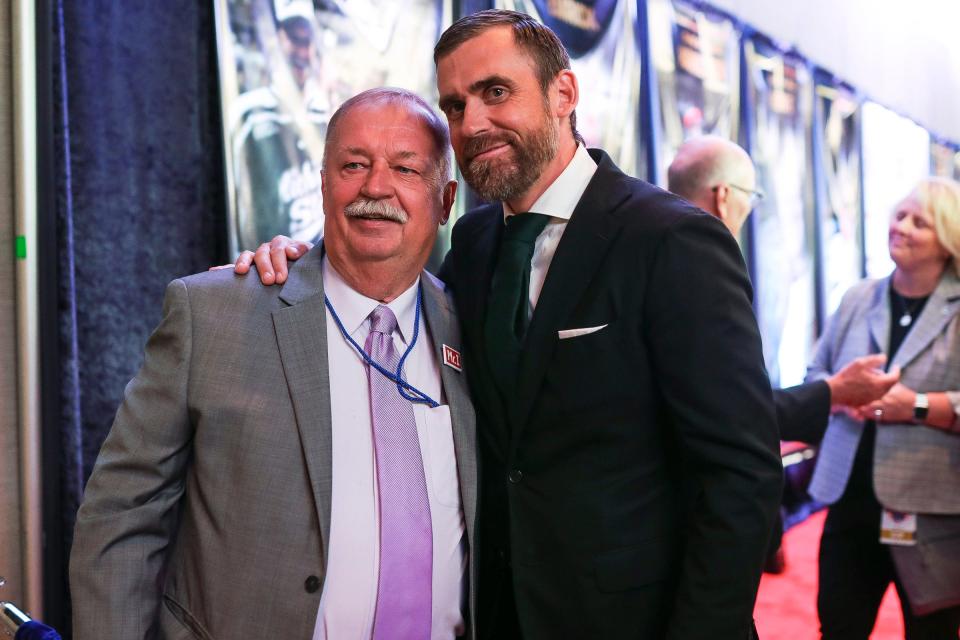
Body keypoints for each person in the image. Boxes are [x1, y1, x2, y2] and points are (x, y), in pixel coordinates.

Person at [239, 10, 782, 638]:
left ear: (564, 94)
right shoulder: (472, 244)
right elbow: (376, 286)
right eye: (454, 104)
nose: (472, 124)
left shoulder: (673, 241)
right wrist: (292, 262)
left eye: (495, 92)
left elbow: (741, 474)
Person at [70, 89, 476, 639]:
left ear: (446, 198)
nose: (376, 187)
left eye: (405, 169)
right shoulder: (216, 313)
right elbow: (122, 515)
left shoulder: (473, 329)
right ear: (324, 182)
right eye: (354, 165)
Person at [668, 135, 901, 572]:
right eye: (751, 197)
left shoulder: (648, 252)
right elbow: (733, 407)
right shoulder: (707, 263)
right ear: (723, 197)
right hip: (701, 508)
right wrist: (834, 391)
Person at [806, 177, 960, 639]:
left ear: (949, 239)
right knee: (837, 627)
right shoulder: (859, 297)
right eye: (899, 215)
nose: (902, 228)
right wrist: (838, 393)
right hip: (848, 500)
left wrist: (913, 406)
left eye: (920, 222)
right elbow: (815, 374)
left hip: (931, 509)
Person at [230, 0, 330, 250]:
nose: (302, 52)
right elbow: (244, 218)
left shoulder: (325, 116)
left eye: (307, 42)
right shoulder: (251, 116)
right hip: (270, 270)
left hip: (321, 270)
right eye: (295, 39)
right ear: (276, 39)